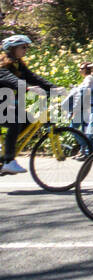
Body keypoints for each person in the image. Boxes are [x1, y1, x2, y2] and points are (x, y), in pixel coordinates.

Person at [0, 35, 53, 175]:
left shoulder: (19, 65)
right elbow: (11, 80)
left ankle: (4, 153)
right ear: (12, 49)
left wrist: (54, 88)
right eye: (23, 47)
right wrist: (28, 88)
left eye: (26, 47)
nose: (26, 50)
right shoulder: (2, 65)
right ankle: (9, 161)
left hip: (6, 105)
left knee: (28, 121)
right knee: (15, 120)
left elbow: (34, 78)